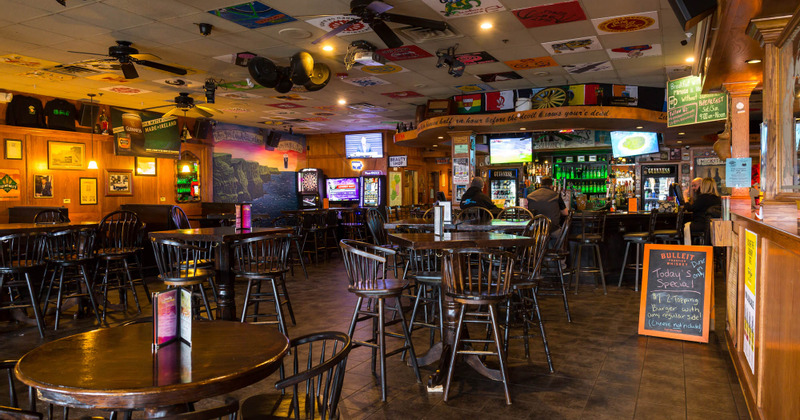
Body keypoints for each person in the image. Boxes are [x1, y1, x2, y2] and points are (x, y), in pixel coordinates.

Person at [684, 177, 721, 244]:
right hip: (712, 225)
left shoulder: (703, 198)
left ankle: (688, 247)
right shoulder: (718, 198)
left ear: (704, 186)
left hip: (701, 224)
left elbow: (690, 208)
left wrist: (685, 198)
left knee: (685, 226)